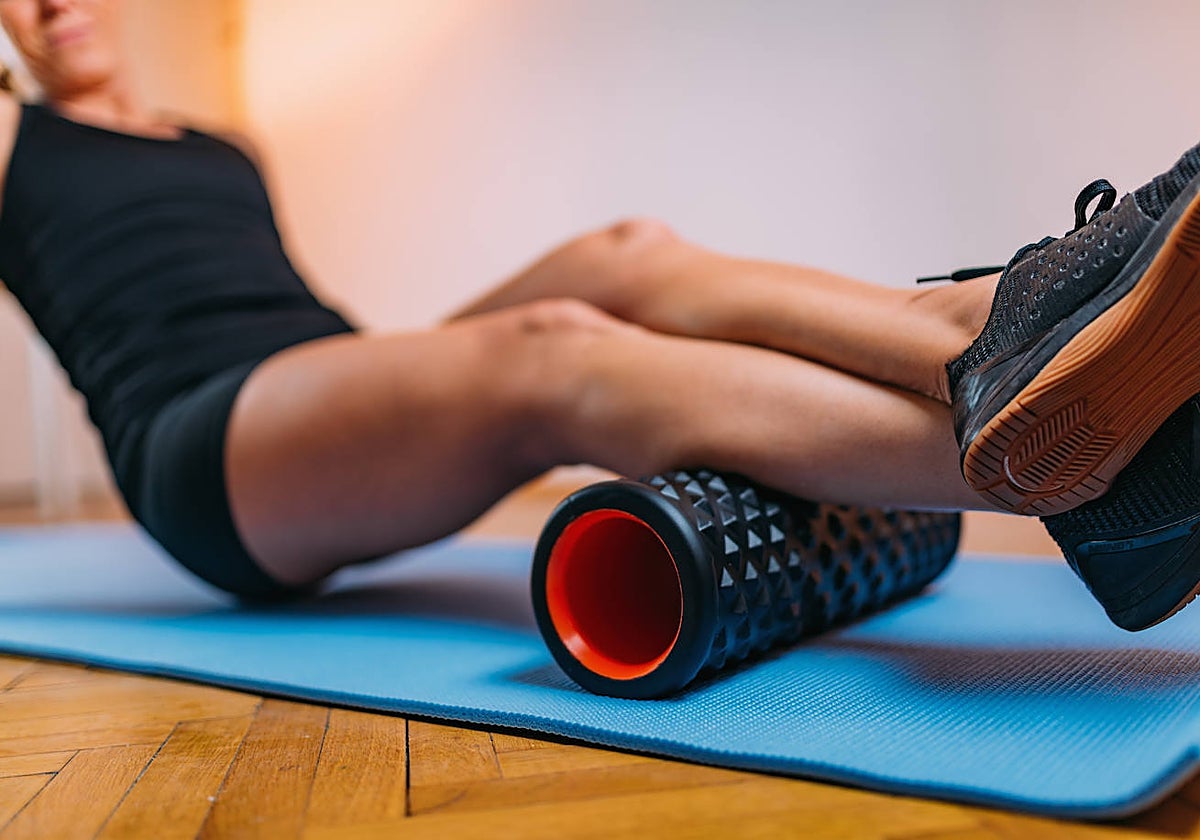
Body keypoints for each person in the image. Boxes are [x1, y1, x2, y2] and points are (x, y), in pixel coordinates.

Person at [2, 0, 1199, 633]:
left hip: (319, 373)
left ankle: (982, 331)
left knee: (622, 256)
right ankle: (1081, 466)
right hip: (204, 451)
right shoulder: (17, 146)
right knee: (556, 357)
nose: (53, 4)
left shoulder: (220, 141)